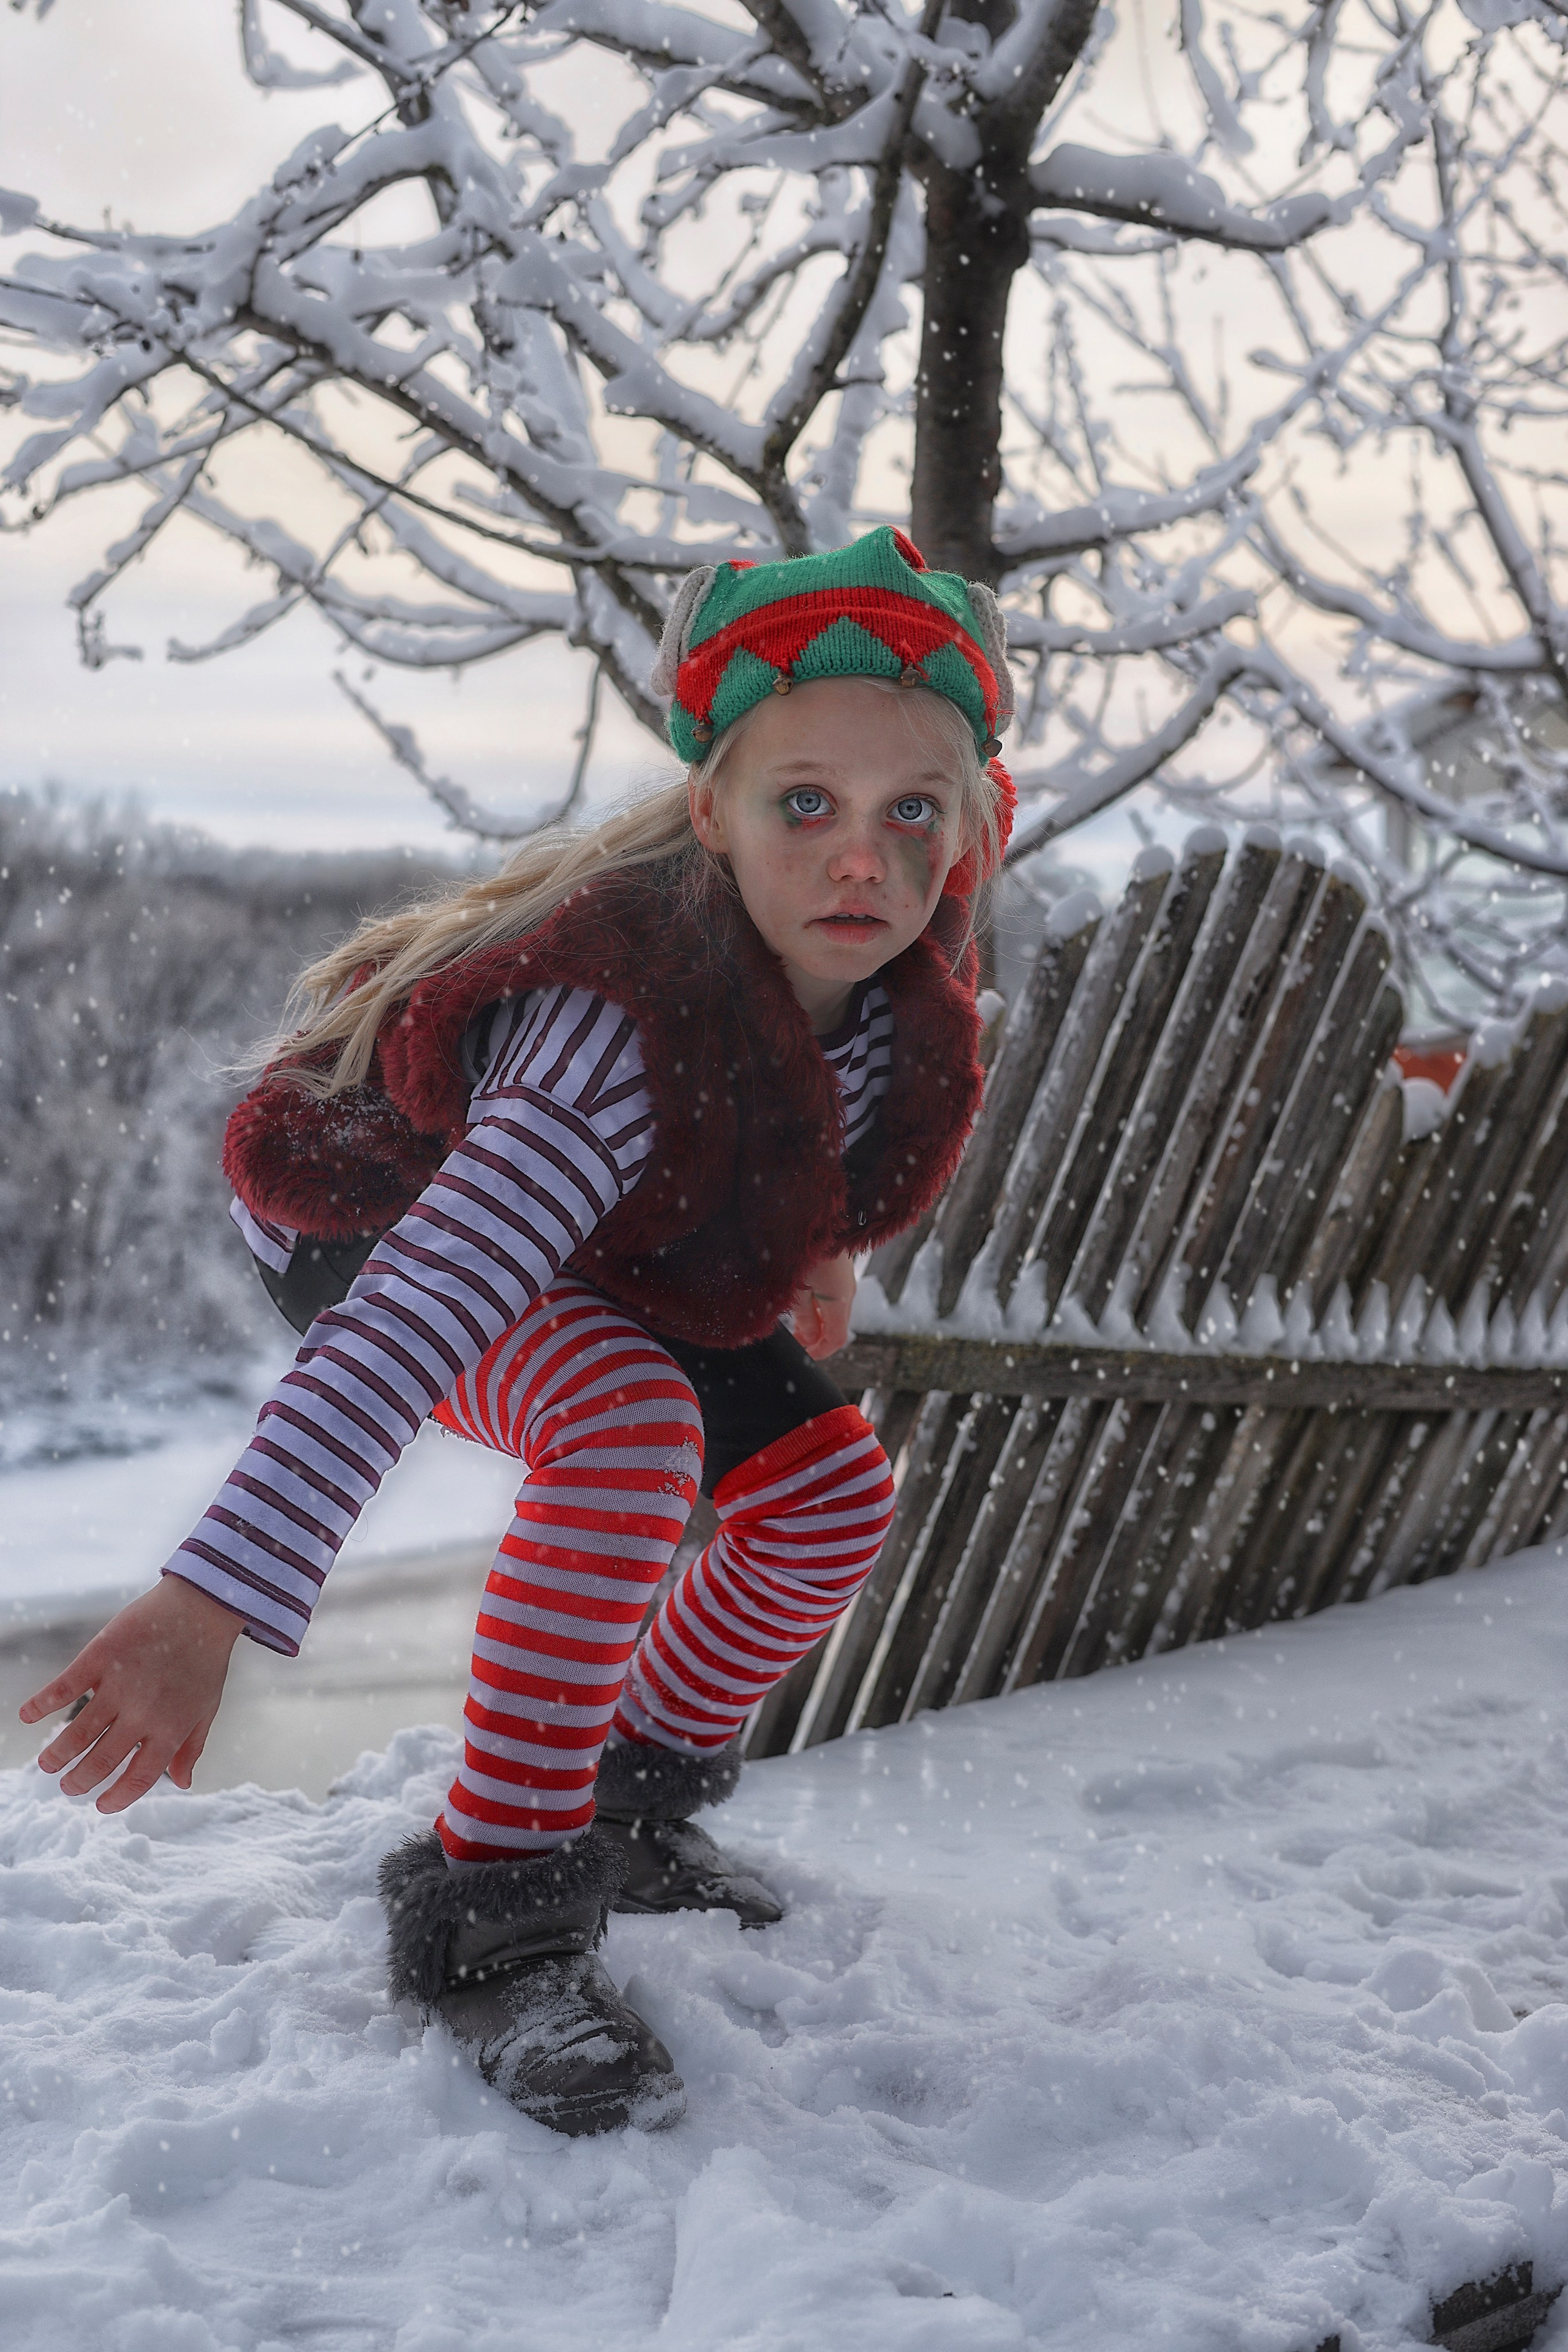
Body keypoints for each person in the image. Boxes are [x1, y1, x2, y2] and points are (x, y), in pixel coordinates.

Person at [19, 527, 1016, 2135]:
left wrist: (820, 1243)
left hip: (613, 1231)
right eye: (805, 805)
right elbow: (415, 1321)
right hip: (385, 1215)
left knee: (827, 1494)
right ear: (713, 814)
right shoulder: (610, 1030)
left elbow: (821, 1108)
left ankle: (627, 1799)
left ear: (967, 829)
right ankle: (499, 1917)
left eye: (913, 812)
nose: (862, 860)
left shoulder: (900, 979)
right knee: (628, 1429)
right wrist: (212, 1601)